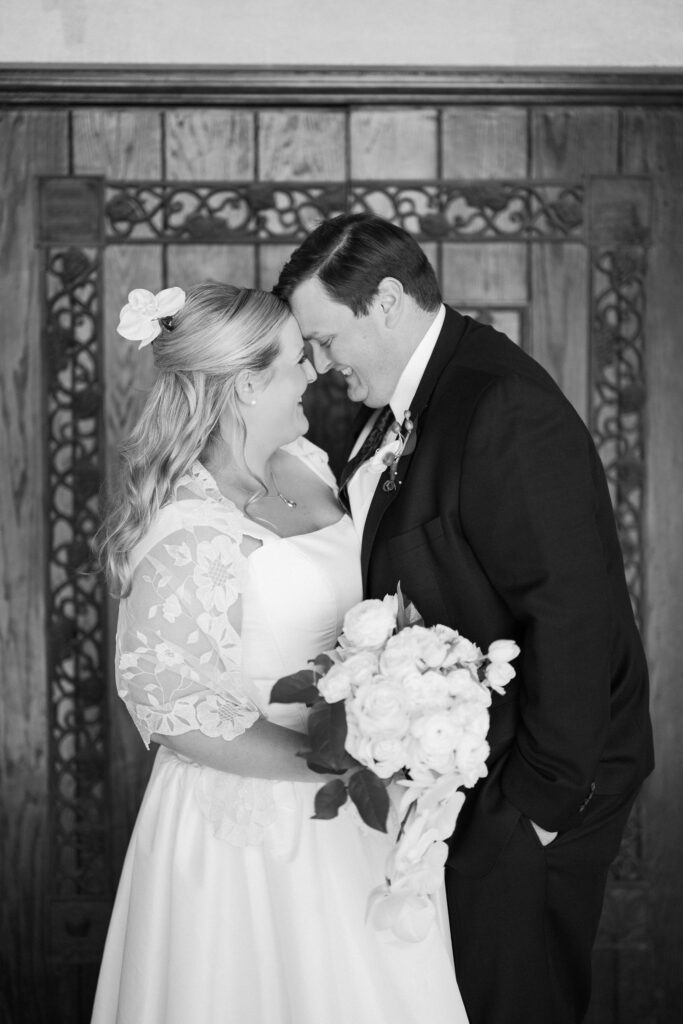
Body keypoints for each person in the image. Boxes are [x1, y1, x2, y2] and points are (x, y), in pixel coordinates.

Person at [275, 213, 655, 1024]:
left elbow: (571, 612)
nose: (319, 364)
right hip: (460, 784)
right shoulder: (402, 400)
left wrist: (539, 809)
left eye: (324, 338)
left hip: (532, 789)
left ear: (383, 302)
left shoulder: (500, 403)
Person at [90, 281, 467, 1024]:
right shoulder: (187, 525)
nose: (316, 371)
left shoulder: (308, 463)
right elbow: (173, 709)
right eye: (298, 358)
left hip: (353, 807)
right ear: (246, 385)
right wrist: (339, 763)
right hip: (250, 827)